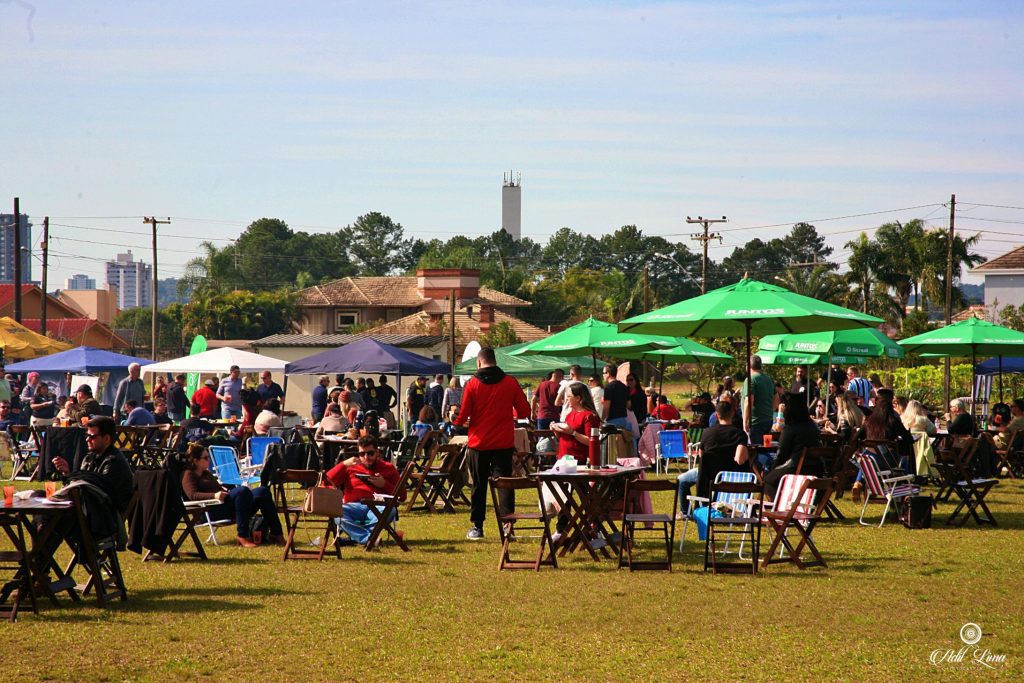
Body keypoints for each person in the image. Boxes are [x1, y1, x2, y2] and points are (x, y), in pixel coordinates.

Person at [453, 347, 530, 541]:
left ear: (478, 363)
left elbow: (462, 416)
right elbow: (524, 412)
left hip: (479, 443)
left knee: (478, 485)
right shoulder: (510, 382)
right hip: (503, 442)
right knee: (505, 484)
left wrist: (455, 419)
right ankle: (507, 527)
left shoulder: (471, 384)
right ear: (495, 361)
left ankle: (477, 527)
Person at [181, 443, 284, 547]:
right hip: (208, 511)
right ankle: (242, 536)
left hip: (224, 505)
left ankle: (276, 533)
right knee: (241, 491)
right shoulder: (188, 475)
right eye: (206, 458)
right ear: (195, 461)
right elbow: (192, 495)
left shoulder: (206, 473)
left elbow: (218, 488)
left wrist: (223, 490)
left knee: (262, 491)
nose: (209, 460)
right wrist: (214, 495)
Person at [324, 435, 401, 546]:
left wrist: (384, 484)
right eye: (362, 454)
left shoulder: (388, 468)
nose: (366, 457)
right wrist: (343, 464)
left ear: (377, 452)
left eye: (370, 453)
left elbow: (402, 496)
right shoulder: (350, 467)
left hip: (378, 506)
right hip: (353, 506)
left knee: (391, 510)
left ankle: (356, 538)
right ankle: (369, 538)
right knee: (336, 512)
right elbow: (326, 481)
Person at [550, 383, 602, 544]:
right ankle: (561, 529)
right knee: (563, 496)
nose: (567, 399)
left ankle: (595, 528)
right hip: (564, 460)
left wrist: (572, 432)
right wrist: (557, 431)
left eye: (570, 396)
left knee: (585, 497)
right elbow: (565, 439)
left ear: (579, 398)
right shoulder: (569, 414)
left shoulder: (589, 416)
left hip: (579, 461)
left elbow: (591, 441)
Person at [676, 400, 749, 513]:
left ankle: (686, 513)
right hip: (730, 476)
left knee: (682, 480)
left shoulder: (707, 433)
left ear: (716, 415)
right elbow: (739, 460)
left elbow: (701, 456)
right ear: (733, 414)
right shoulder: (740, 434)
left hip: (708, 476)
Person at [762, 395, 822, 499]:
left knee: (768, 480)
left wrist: (773, 468)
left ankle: (780, 505)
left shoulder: (791, 428)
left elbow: (781, 454)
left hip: (797, 469)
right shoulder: (813, 427)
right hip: (816, 469)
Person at [743, 355, 778, 447]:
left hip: (756, 422)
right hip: (768, 420)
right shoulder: (769, 379)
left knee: (756, 449)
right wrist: (770, 411)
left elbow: (749, 401)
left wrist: (745, 421)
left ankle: (761, 462)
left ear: (749, 365)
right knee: (766, 447)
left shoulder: (751, 379)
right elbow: (777, 399)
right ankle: (768, 461)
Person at [600, 364, 629, 431]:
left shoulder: (608, 387)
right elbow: (629, 404)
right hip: (624, 418)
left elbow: (607, 405)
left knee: (612, 441)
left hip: (613, 420)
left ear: (608, 373)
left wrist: (601, 419)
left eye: (603, 373)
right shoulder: (624, 386)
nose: (603, 375)